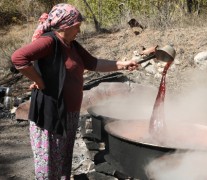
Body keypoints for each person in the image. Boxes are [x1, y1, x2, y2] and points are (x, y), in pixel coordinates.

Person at [11, 3, 138, 179]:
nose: (79, 30)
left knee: (63, 164)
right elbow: (18, 58)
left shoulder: (72, 45)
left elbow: (94, 63)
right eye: (77, 26)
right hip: (50, 114)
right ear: (65, 26)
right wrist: (38, 80)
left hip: (68, 114)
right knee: (48, 167)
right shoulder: (49, 41)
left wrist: (121, 65)